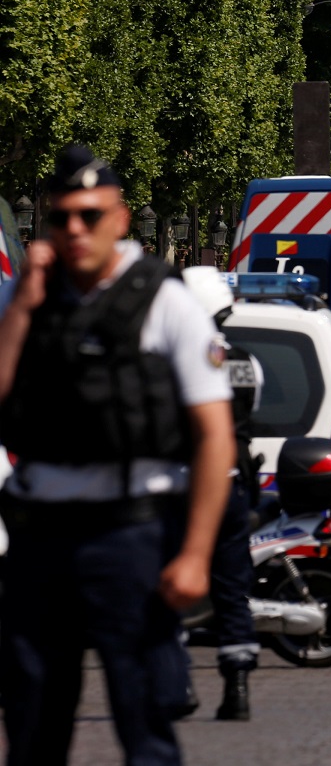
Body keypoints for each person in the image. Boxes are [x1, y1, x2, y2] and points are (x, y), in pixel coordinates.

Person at [0, 145, 236, 765]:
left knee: (144, 717)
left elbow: (215, 434)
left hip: (129, 532)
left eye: (90, 215)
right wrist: (23, 304)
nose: (75, 230)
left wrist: (194, 554)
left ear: (120, 219)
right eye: (62, 218)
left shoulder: (165, 300)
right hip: (38, 535)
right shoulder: (29, 300)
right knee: (31, 721)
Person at [181, 266, 264, 722]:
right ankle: (237, 686)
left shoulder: (176, 359)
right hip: (233, 484)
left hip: (186, 484)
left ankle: (178, 682)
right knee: (233, 591)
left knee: (167, 587)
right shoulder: (247, 361)